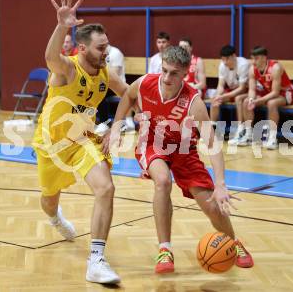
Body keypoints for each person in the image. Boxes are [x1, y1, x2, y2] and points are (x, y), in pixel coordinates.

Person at [109, 46, 254, 274]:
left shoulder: (193, 102)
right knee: (163, 181)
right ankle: (165, 249)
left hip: (185, 152)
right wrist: (117, 126)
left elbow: (212, 143)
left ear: (185, 73)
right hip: (152, 144)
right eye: (165, 70)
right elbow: (127, 95)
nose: (167, 77)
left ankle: (233, 243)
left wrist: (221, 183)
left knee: (213, 207)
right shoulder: (145, 82)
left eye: (174, 73)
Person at [32, 0, 129, 284]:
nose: (107, 52)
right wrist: (62, 25)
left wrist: (116, 126)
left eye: (107, 46)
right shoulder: (68, 70)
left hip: (82, 141)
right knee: (49, 201)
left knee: (106, 188)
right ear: (83, 49)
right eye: (101, 48)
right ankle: (55, 217)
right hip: (52, 144)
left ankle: (96, 260)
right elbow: (50, 56)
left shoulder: (106, 73)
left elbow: (129, 94)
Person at [238, 46, 293, 149]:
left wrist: (259, 101)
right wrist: (252, 100)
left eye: (256, 59)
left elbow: (275, 92)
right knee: (247, 101)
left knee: (272, 103)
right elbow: (252, 90)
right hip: (268, 91)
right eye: (252, 58)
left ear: (264, 58)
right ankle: (248, 135)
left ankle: (272, 138)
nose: (253, 61)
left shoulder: (275, 67)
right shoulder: (252, 69)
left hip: (286, 92)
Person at [209, 45, 250, 145]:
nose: (225, 62)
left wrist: (223, 96)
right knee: (215, 100)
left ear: (234, 56)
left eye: (227, 59)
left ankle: (241, 129)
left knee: (238, 99)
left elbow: (242, 88)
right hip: (232, 90)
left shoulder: (243, 64)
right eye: (223, 59)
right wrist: (218, 95)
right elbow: (221, 85)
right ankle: (212, 130)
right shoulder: (222, 66)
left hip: (246, 90)